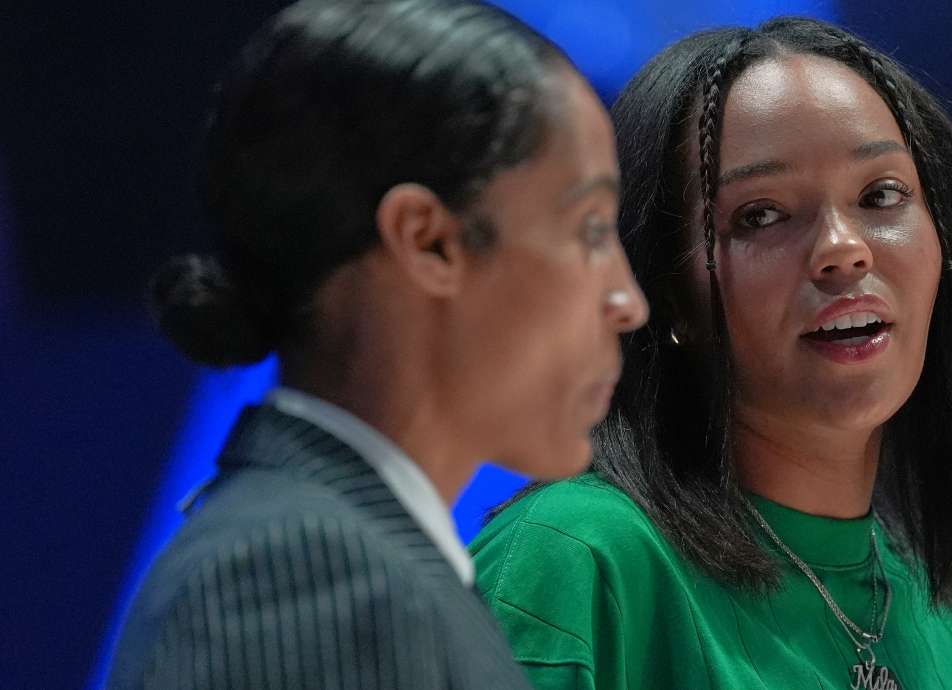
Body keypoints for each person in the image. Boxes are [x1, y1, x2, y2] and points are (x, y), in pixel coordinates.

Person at [472, 16, 952, 690]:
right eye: (760, 215)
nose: (842, 248)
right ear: (669, 295)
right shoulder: (575, 562)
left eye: (880, 195)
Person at [105, 1, 646, 688]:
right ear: (428, 240)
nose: (628, 302)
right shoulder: (307, 577)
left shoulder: (346, 564)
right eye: (591, 229)